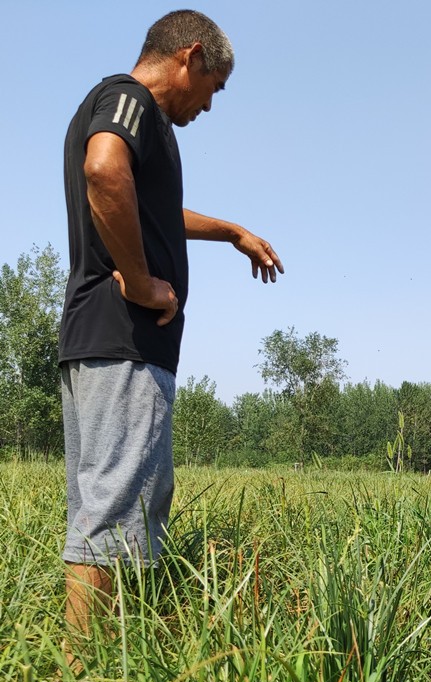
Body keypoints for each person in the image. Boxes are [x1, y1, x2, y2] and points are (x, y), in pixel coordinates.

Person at [60, 10, 284, 646]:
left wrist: (232, 232)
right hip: (126, 341)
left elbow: (145, 200)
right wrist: (136, 277)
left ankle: (100, 671)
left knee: (105, 511)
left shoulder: (115, 112)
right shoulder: (129, 101)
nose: (210, 105)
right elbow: (105, 170)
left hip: (94, 341)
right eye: (214, 87)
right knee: (114, 518)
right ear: (189, 58)